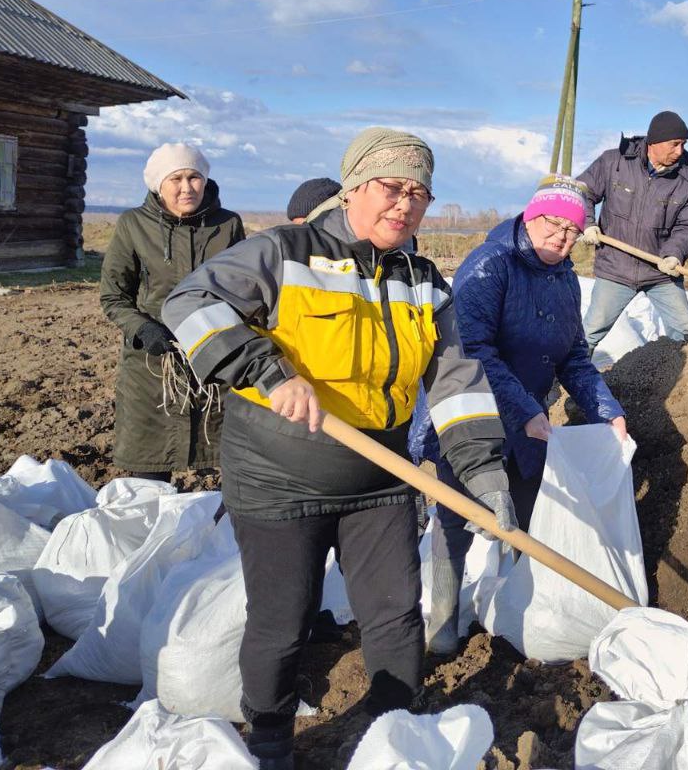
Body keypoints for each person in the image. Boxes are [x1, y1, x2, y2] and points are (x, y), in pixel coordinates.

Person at [161, 127, 511, 770]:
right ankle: (269, 740)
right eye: (391, 187)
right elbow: (190, 301)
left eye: (419, 193)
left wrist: (485, 472)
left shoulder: (425, 282)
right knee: (282, 623)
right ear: (354, 187)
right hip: (277, 476)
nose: (405, 204)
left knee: (396, 616)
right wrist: (266, 371)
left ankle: (393, 735)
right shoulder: (286, 253)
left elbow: (457, 380)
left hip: (379, 477)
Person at [419, 175, 628, 655]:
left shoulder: (565, 280)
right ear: (531, 217)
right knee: (459, 514)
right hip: (470, 417)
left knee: (526, 517)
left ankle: (520, 613)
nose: (561, 235)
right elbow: (471, 349)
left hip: (529, 422)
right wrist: (525, 409)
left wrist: (606, 411)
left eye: (573, 230)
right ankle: (443, 624)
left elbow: (574, 356)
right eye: (553, 222)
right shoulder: (490, 266)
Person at [99, 143, 244, 482]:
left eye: (194, 177)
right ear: (158, 184)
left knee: (226, 464)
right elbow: (113, 296)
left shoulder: (228, 226)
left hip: (213, 363)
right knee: (148, 468)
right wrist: (144, 329)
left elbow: (243, 290)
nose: (186, 187)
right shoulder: (133, 224)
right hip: (151, 367)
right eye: (175, 178)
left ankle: (215, 533)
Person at [576, 110, 688, 352]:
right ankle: (562, 385)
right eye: (674, 144)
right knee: (590, 333)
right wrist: (588, 223)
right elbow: (583, 190)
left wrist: (675, 253)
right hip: (616, 267)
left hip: (660, 272)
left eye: (683, 144)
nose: (680, 151)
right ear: (654, 142)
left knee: (686, 331)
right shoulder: (614, 162)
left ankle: (682, 385)